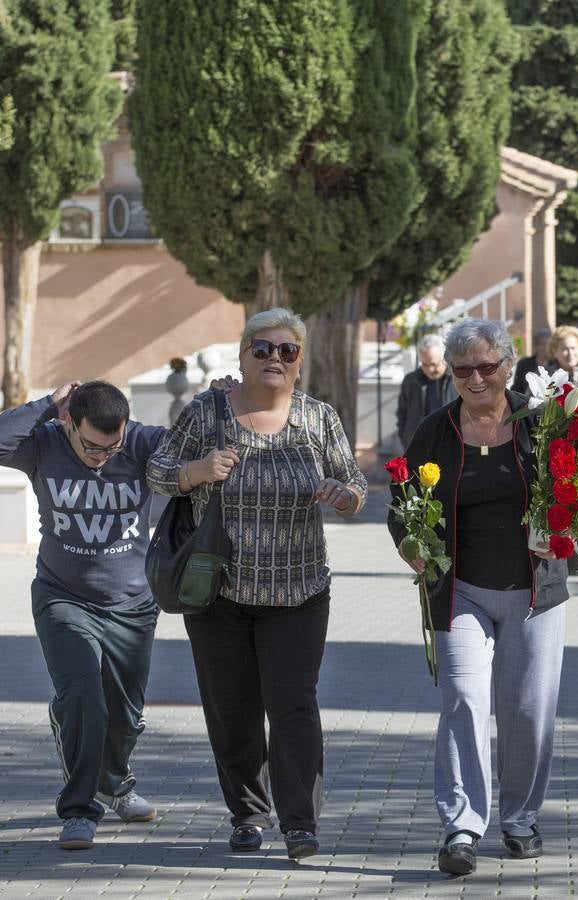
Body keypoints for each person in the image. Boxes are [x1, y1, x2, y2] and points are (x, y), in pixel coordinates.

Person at [146, 308, 367, 861]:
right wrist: (198, 471)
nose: (274, 358)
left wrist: (345, 496)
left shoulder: (318, 418)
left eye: (286, 350)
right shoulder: (208, 412)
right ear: (243, 356)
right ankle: (247, 814)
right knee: (232, 708)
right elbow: (156, 469)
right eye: (262, 349)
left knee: (293, 705)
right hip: (218, 592)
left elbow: (356, 483)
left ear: (299, 362)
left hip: (298, 592)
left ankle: (300, 823)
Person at [388, 318, 578, 877]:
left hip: (535, 590)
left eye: (486, 367)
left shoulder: (544, 422)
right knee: (464, 701)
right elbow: (402, 500)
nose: (475, 378)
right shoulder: (435, 430)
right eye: (463, 369)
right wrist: (410, 543)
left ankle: (520, 818)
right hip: (460, 592)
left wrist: (570, 532)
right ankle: (463, 826)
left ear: (509, 365)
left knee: (527, 710)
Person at [0, 380, 169, 851]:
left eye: (112, 446)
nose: (103, 455)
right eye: (92, 446)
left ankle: (116, 784)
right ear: (69, 422)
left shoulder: (141, 443)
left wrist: (220, 397)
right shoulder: (43, 442)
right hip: (62, 596)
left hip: (132, 603)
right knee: (83, 698)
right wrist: (47, 404)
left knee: (125, 716)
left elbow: (200, 441)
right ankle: (81, 810)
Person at [396, 333, 456, 451]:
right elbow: (402, 415)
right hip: (419, 448)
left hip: (450, 447)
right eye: (425, 364)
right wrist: (406, 440)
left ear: (444, 359)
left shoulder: (457, 380)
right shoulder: (411, 381)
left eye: (434, 364)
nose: (429, 370)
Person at [512, 327, 553, 393]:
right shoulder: (524, 364)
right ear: (536, 346)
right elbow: (517, 388)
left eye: (547, 344)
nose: (545, 347)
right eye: (542, 344)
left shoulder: (556, 365)